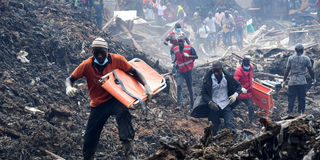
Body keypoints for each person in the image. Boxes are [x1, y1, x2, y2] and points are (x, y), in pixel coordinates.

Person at [65, 37, 153, 160]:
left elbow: (134, 71)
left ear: (108, 51)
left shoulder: (117, 60)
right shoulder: (87, 65)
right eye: (96, 52)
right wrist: (69, 88)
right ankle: (88, 157)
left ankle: (130, 154)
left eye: (103, 52)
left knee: (124, 115)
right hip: (98, 103)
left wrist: (146, 85)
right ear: (92, 52)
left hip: (116, 98)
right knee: (91, 133)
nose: (100, 56)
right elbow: (70, 79)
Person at [191, 61, 241, 136]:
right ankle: (214, 143)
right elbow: (203, 93)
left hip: (225, 104)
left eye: (218, 71)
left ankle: (237, 140)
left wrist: (235, 95)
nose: (216, 73)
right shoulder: (208, 80)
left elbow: (239, 86)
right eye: (214, 71)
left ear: (221, 69)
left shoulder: (227, 77)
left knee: (229, 124)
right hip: (214, 106)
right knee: (213, 127)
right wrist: (210, 102)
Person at [282, 44, 315, 114]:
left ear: (295, 50)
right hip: (302, 81)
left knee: (291, 98)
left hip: (292, 81)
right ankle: (301, 112)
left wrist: (284, 80)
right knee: (302, 98)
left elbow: (287, 70)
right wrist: (313, 78)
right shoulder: (306, 58)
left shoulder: (291, 58)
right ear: (302, 51)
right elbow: (310, 70)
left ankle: (290, 111)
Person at [173, 36, 198, 107]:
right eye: (179, 41)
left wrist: (189, 56)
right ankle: (178, 104)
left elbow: (196, 56)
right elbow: (176, 57)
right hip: (180, 70)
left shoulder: (189, 48)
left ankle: (192, 103)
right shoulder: (175, 49)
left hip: (188, 70)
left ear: (184, 41)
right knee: (179, 85)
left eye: (181, 41)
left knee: (190, 86)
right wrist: (175, 63)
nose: (180, 43)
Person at [233, 56, 254, 123]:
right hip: (240, 92)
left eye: (248, 64)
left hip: (248, 91)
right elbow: (235, 82)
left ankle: (251, 121)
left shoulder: (250, 68)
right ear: (243, 64)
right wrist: (241, 88)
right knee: (234, 105)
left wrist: (252, 80)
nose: (247, 66)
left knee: (251, 106)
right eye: (246, 65)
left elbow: (250, 77)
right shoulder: (238, 72)